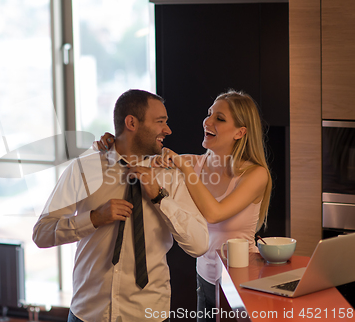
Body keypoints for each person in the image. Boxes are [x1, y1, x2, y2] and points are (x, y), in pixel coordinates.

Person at [33, 89, 209, 322]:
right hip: (89, 313)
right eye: (160, 122)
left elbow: (200, 244)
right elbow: (41, 233)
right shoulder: (85, 169)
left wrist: (159, 197)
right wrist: (93, 219)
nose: (167, 130)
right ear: (131, 123)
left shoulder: (171, 176)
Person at [96, 90, 271, 322]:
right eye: (209, 114)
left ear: (241, 132)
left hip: (243, 282)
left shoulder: (255, 174)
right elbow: (132, 159)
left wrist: (185, 168)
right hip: (205, 280)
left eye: (219, 118)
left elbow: (214, 213)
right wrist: (113, 143)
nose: (208, 121)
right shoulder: (190, 163)